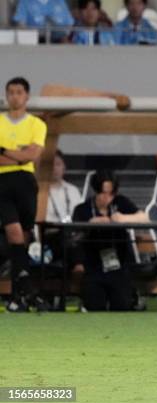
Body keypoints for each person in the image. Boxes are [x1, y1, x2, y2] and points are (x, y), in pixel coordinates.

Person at [0, 77, 47, 312]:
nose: (14, 96)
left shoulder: (37, 124)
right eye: (10, 92)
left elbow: (31, 156)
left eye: (19, 92)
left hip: (26, 181)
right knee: (13, 231)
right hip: (2, 181)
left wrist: (5, 150)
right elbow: (22, 154)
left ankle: (21, 291)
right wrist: (17, 153)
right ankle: (22, 290)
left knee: (24, 235)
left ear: (27, 96)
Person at [72, 170, 148, 311]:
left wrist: (123, 219)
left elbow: (144, 217)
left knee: (122, 304)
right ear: (96, 191)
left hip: (119, 265)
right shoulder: (83, 209)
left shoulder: (121, 203)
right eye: (103, 193)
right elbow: (75, 238)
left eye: (111, 193)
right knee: (95, 305)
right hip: (93, 267)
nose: (107, 198)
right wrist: (90, 224)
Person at [46, 150, 81, 223]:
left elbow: (79, 217)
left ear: (64, 167)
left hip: (71, 231)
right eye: (51, 165)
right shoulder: (39, 192)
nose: (54, 168)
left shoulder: (73, 190)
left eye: (58, 164)